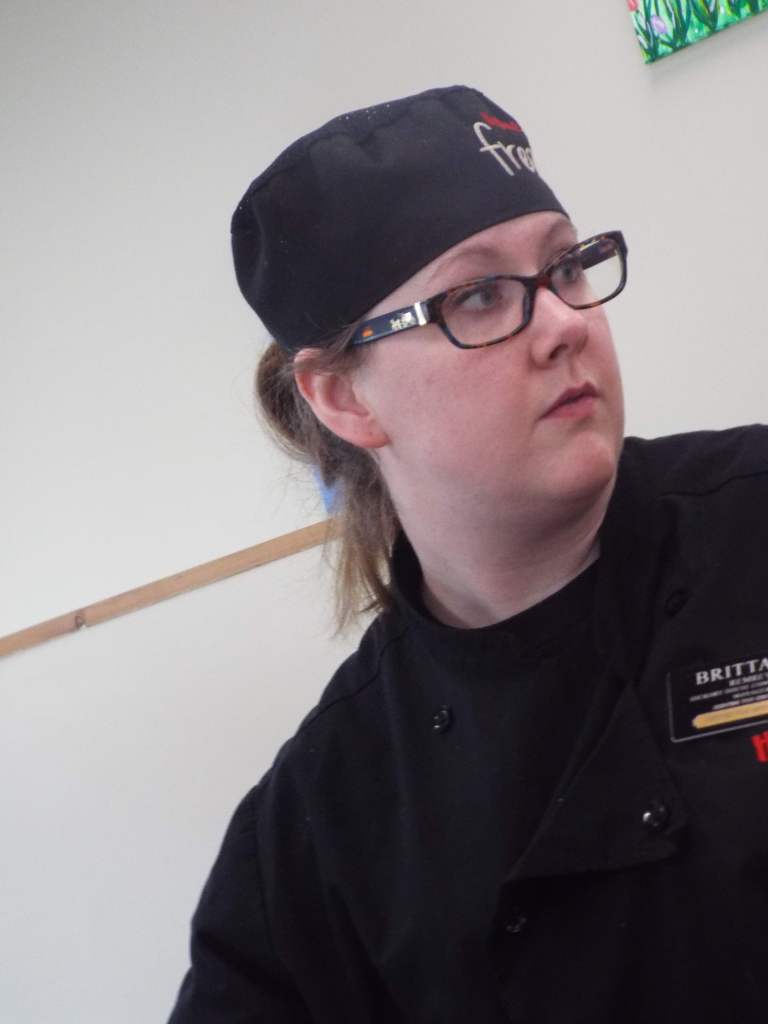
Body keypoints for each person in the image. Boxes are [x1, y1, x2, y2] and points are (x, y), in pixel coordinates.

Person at [167, 85, 768, 1023]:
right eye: (480, 296)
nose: (566, 322)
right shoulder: (322, 825)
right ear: (343, 398)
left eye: (567, 266)